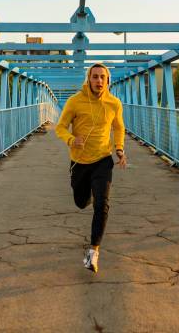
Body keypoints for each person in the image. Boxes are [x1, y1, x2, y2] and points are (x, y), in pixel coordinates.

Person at [55, 63, 127, 273]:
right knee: (80, 202)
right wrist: (70, 139)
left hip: (103, 160)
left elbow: (119, 127)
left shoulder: (114, 103)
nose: (98, 81)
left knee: (102, 205)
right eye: (94, 77)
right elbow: (60, 127)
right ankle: (91, 194)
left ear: (107, 80)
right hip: (80, 163)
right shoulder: (75, 101)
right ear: (88, 79)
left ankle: (93, 252)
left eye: (102, 77)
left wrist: (120, 149)